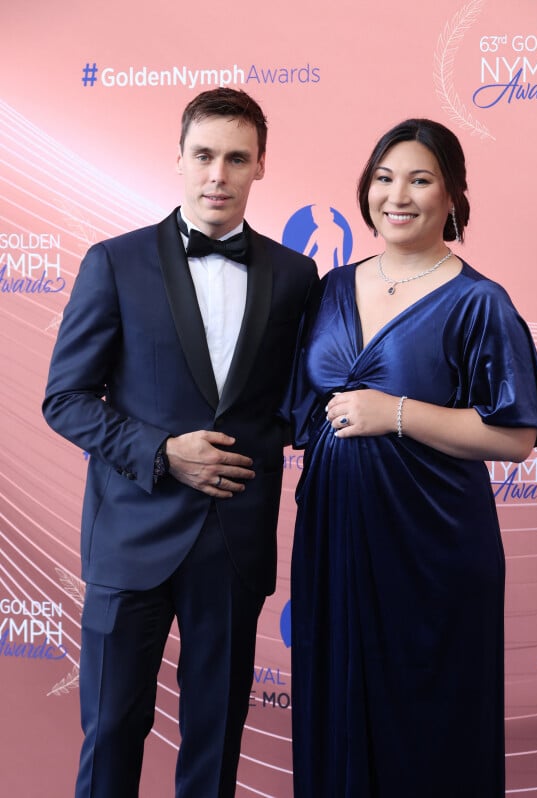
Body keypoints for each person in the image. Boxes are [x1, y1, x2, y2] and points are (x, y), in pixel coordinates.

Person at [42, 87, 318, 798]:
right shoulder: (115, 261)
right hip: (129, 537)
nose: (217, 175)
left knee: (216, 737)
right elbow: (65, 398)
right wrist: (164, 453)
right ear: (178, 159)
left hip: (232, 543)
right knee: (110, 734)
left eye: (235, 158)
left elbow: (294, 404)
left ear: (260, 165)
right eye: (203, 156)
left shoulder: (296, 276)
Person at [287, 118, 537, 797]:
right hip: (334, 543)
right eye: (384, 178)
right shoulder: (329, 288)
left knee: (427, 732)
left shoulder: (479, 302)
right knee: (338, 709)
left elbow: (515, 438)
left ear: (452, 197)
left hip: (432, 551)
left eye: (420, 179)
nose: (397, 195)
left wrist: (397, 414)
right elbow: (293, 412)